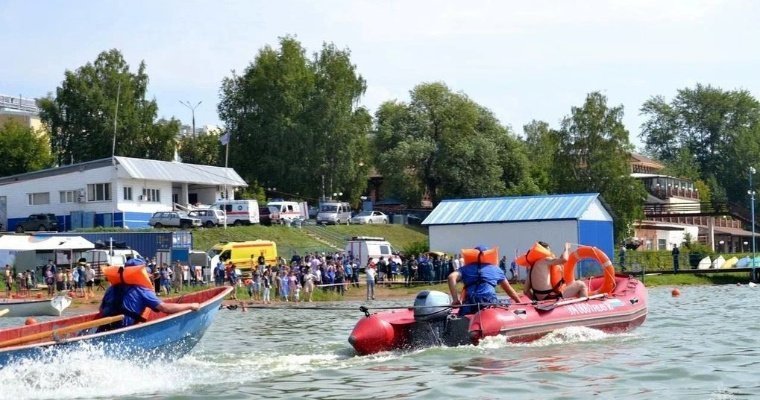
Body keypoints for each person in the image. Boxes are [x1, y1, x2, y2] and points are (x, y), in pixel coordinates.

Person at [99, 258, 199, 330]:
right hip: (123, 330)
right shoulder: (142, 291)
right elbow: (165, 308)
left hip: (104, 328)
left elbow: (101, 310)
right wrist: (191, 305)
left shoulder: (111, 288)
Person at [448, 246, 521, 316]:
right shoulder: (496, 269)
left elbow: (451, 277)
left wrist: (455, 299)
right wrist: (519, 302)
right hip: (489, 301)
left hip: (470, 302)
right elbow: (509, 291)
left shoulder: (465, 268)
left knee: (463, 318)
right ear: (488, 255)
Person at [523, 241, 588, 301]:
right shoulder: (545, 260)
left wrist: (535, 301)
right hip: (549, 297)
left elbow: (525, 291)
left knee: (568, 286)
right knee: (581, 284)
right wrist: (566, 249)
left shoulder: (532, 267)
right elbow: (564, 259)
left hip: (538, 298)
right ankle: (584, 307)